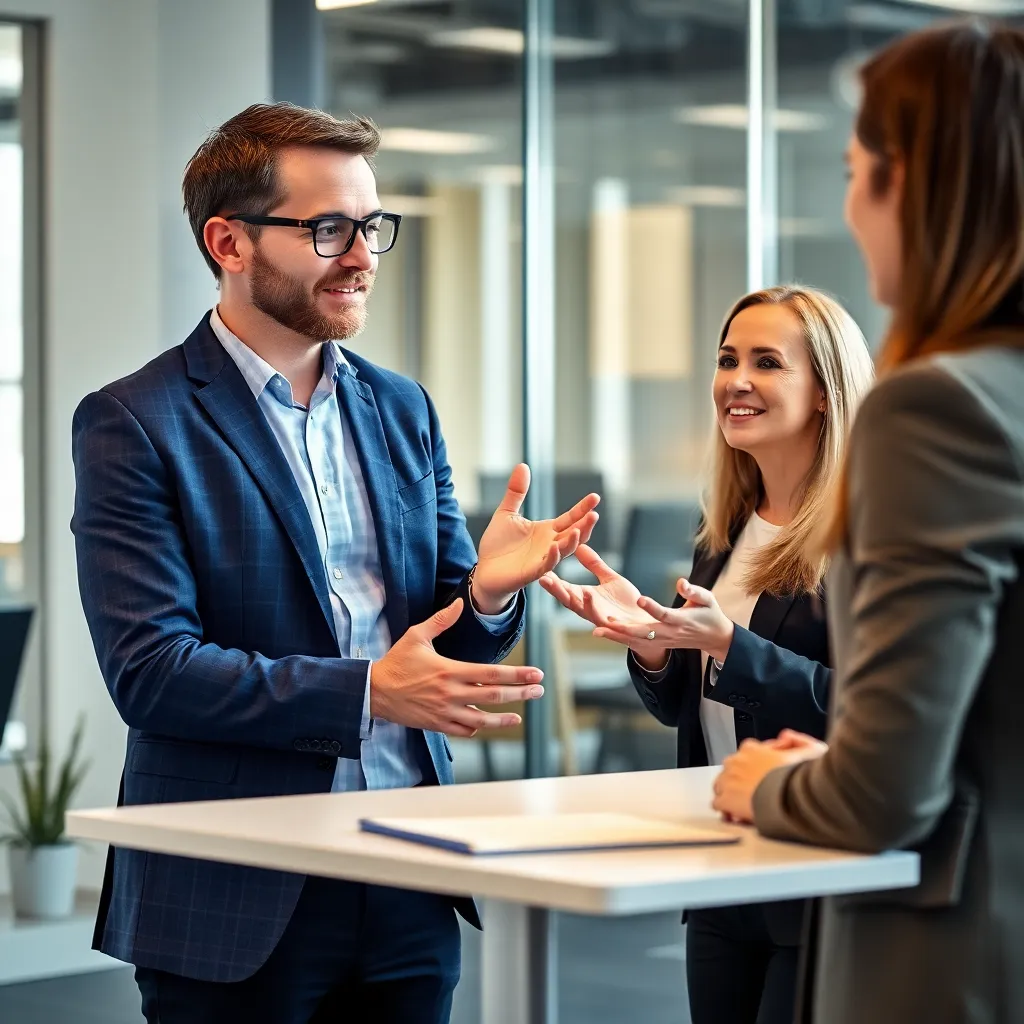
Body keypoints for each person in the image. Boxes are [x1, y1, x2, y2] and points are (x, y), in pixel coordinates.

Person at [71, 102, 600, 1024]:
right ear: (228, 242)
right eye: (327, 229)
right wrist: (367, 693)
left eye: (371, 227)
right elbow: (152, 674)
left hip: (406, 865)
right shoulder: (134, 420)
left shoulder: (402, 409)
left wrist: (484, 591)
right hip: (237, 887)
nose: (360, 256)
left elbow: (438, 640)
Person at [712, 20, 1024, 1024]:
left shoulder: (939, 409)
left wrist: (770, 782)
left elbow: (883, 794)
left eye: (855, 171)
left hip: (956, 957)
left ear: (917, 189)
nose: (849, 206)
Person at [542, 284, 873, 1024]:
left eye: (767, 362)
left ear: (825, 391)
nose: (737, 382)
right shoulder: (723, 531)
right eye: (728, 360)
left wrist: (730, 644)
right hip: (720, 864)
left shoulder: (865, 536)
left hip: (812, 868)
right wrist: (655, 648)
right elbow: (687, 707)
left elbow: (868, 710)